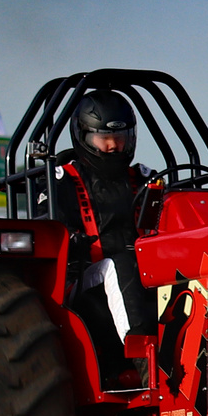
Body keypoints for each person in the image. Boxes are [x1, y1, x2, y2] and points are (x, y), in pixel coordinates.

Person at [52, 90, 156, 357]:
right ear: (85, 137)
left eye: (119, 138)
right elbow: (48, 236)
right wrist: (72, 240)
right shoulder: (61, 183)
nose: (113, 146)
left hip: (144, 275)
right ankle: (146, 361)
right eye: (105, 138)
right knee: (118, 264)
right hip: (83, 290)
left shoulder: (147, 180)